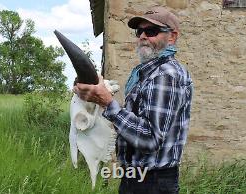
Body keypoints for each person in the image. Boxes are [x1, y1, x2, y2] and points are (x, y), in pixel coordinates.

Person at [73, 6, 193, 194]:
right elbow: (137, 121)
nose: (143, 36)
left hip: (153, 183)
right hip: (135, 177)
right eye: (140, 31)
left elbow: (150, 139)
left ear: (172, 37)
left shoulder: (166, 75)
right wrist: (98, 97)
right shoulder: (147, 74)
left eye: (151, 31)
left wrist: (107, 103)